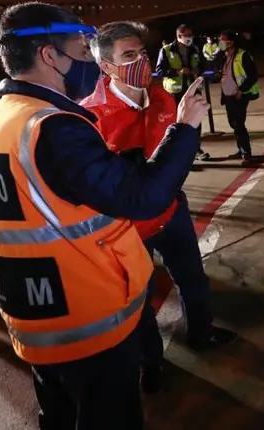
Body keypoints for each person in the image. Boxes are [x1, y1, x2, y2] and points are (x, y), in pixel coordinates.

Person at [0, 2, 209, 430]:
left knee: (60, 416)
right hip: (86, 316)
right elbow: (141, 197)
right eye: (80, 49)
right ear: (48, 55)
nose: (87, 61)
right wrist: (186, 129)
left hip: (36, 314)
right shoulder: (54, 127)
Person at [81, 21, 237, 392]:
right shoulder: (90, 117)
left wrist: (188, 126)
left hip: (171, 212)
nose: (141, 62)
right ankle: (150, 363)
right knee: (138, 300)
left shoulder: (166, 99)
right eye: (129, 56)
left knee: (193, 278)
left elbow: (178, 162)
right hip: (127, 228)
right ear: (106, 66)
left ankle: (202, 332)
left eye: (143, 53)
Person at [155, 24, 211, 162]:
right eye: (186, 35)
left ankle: (196, 149)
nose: (189, 38)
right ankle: (178, 152)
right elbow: (160, 70)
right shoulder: (167, 50)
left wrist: (198, 70)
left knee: (195, 120)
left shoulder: (195, 49)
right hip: (175, 92)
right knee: (177, 122)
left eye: (191, 35)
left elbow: (203, 65)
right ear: (179, 36)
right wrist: (177, 72)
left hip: (192, 89)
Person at [216, 30, 260, 164]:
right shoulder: (224, 56)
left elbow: (253, 75)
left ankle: (247, 154)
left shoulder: (243, 55)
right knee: (233, 124)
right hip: (228, 95)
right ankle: (241, 150)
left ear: (231, 42)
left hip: (239, 95)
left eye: (223, 40)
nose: (221, 42)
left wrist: (241, 90)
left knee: (239, 124)